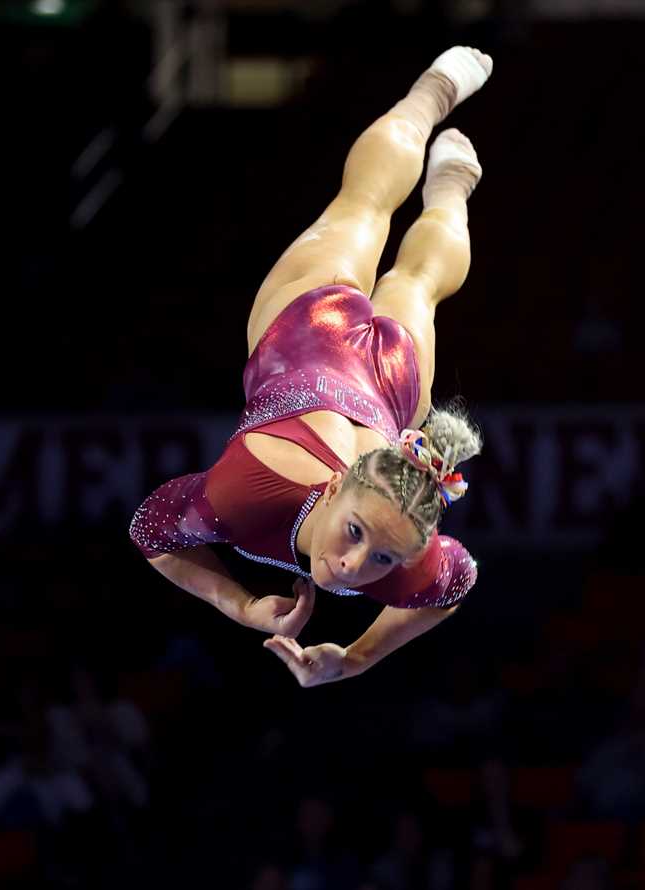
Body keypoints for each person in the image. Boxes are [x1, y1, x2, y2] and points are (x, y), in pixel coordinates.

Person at [128, 47, 494, 686]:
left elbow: (453, 582)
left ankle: (454, 186)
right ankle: (431, 97)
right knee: (368, 209)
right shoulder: (245, 495)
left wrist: (308, 640)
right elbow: (151, 526)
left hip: (384, 394)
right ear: (330, 487)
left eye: (382, 555)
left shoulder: (412, 554)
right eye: (355, 531)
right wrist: (254, 613)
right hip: (310, 328)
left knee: (421, 277)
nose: (355, 564)